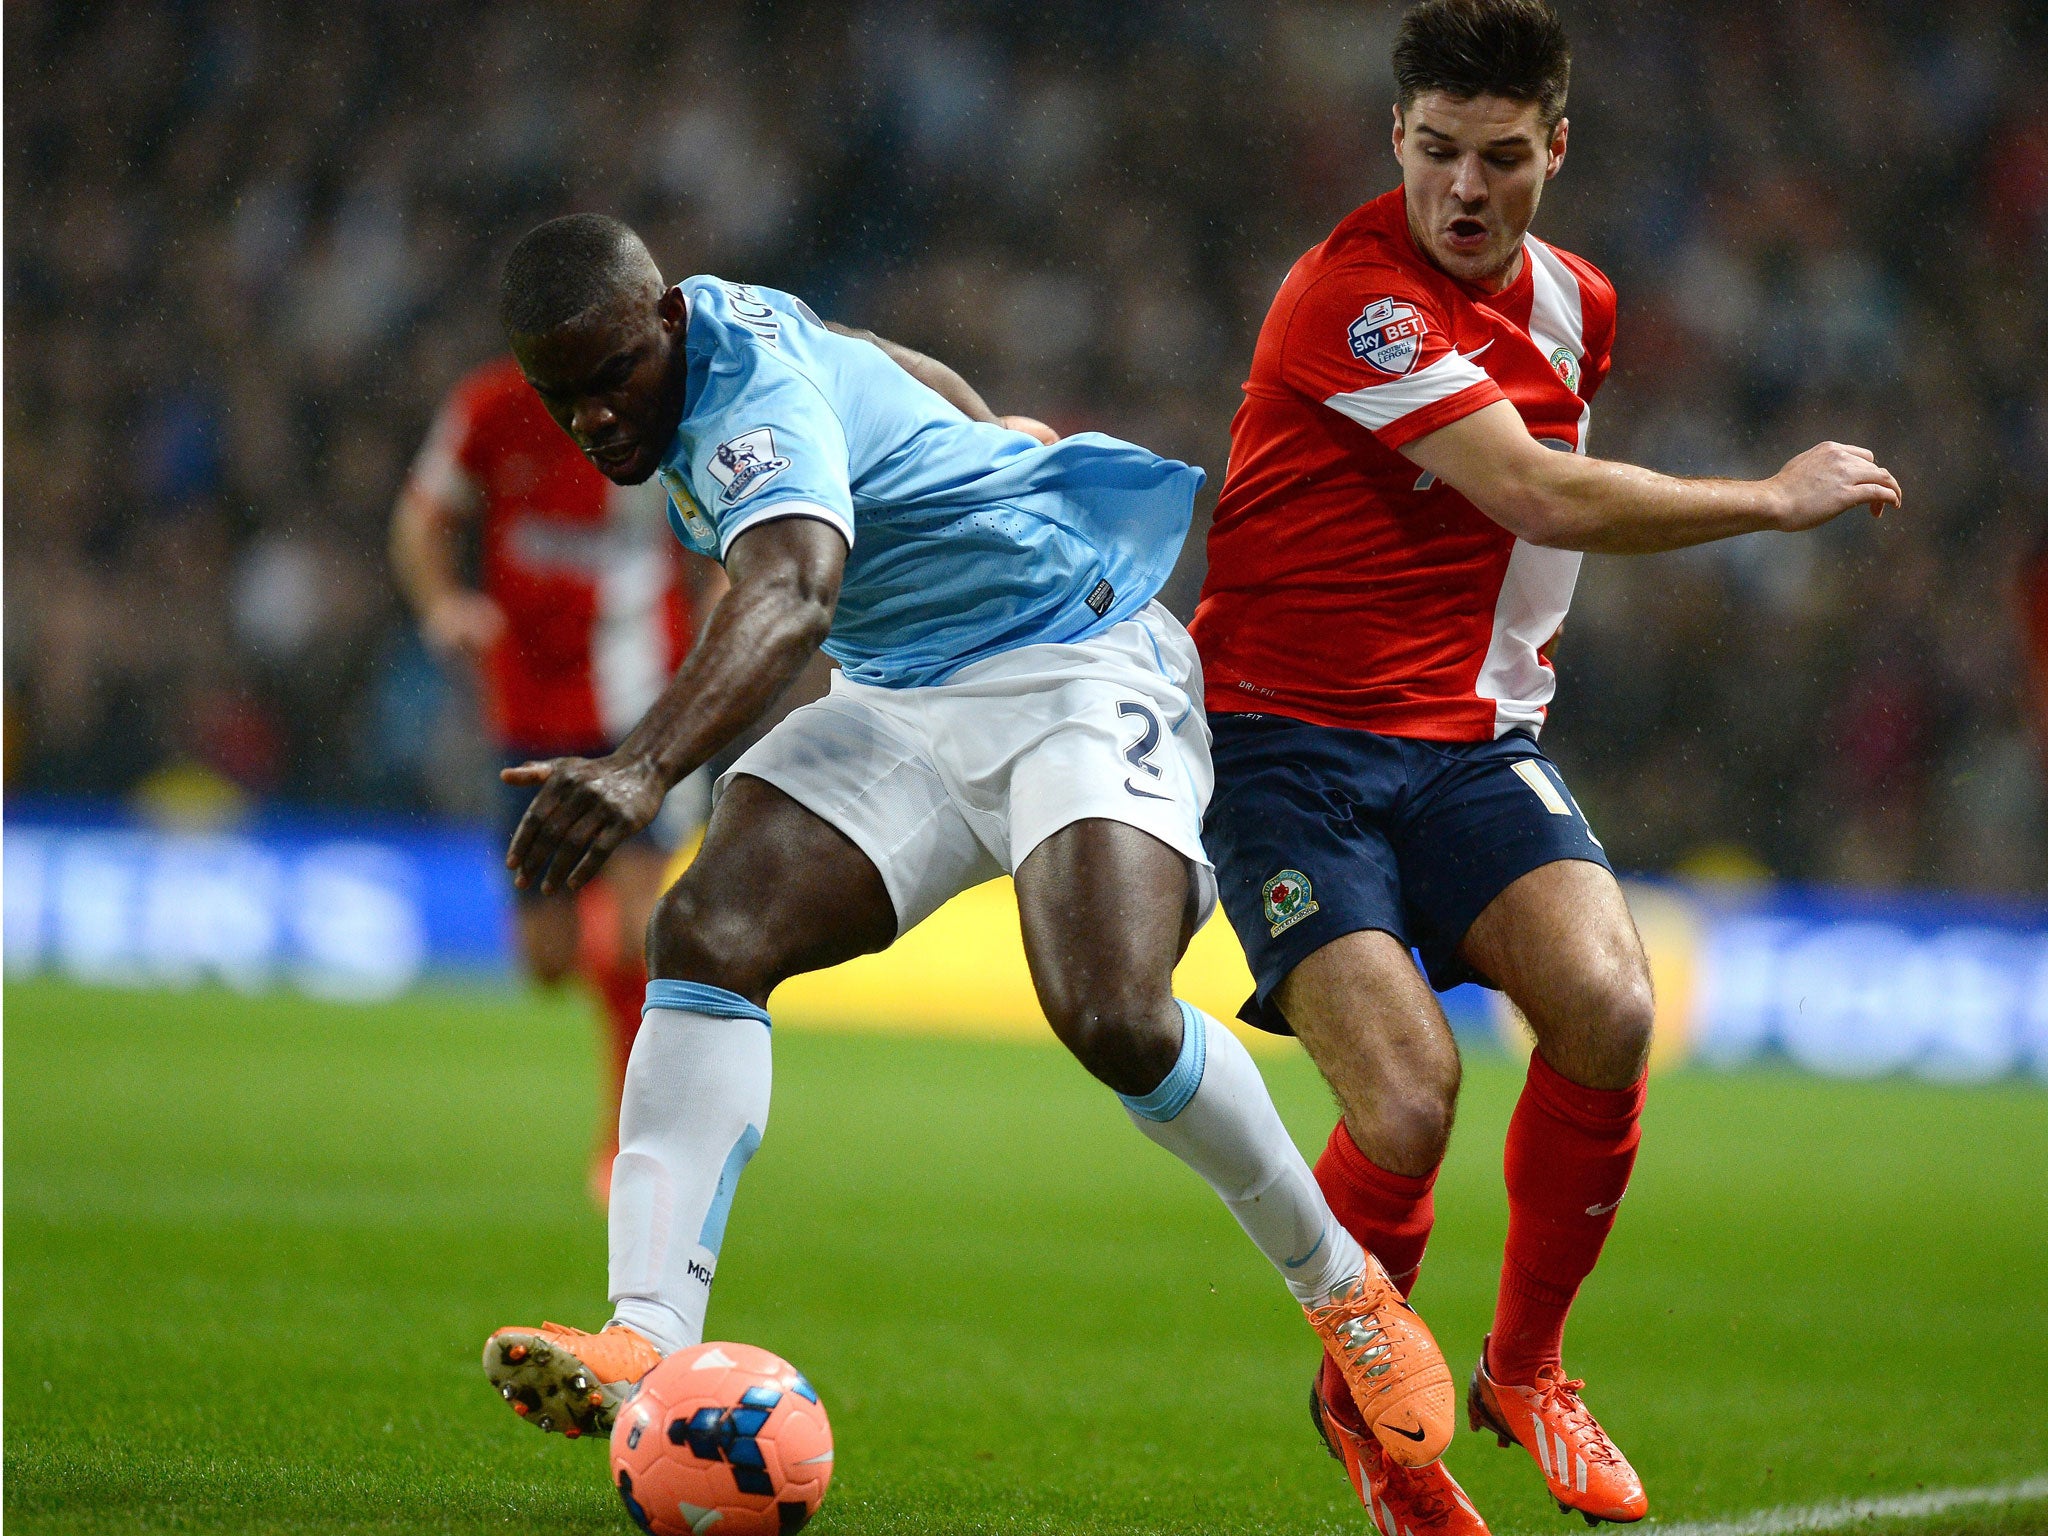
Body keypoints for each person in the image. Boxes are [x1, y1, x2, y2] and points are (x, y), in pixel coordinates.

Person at [475, 213, 1462, 1470]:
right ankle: (644, 1334)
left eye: (615, 376)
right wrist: (981, 425)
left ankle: (1344, 1292)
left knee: (1111, 1011)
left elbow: (788, 594)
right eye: (564, 399)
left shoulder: (745, 404)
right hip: (900, 695)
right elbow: (876, 354)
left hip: (1071, 660)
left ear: (663, 322)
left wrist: (638, 767)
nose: (600, 418)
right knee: (704, 931)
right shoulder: (724, 315)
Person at [1190, 1, 1902, 1530]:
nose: (1463, 186)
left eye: (1500, 157)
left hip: (1463, 744)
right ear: (1396, 139)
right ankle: (1376, 1420)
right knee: (1409, 1100)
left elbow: (1514, 536)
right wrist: (1769, 504)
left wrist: (1510, 696)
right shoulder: (1350, 299)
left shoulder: (1583, 302)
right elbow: (1532, 490)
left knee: (1610, 1003)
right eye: (1435, 149)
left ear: (1555, 152)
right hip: (1280, 750)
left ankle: (1528, 1366)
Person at [391, 357, 724, 1204]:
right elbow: (420, 518)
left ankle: (628, 1139)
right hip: (527, 713)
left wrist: (720, 639)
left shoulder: (660, 412)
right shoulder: (488, 408)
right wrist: (442, 605)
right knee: (545, 962)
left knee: (635, 935)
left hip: (641, 708)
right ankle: (618, 981)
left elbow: (728, 534)